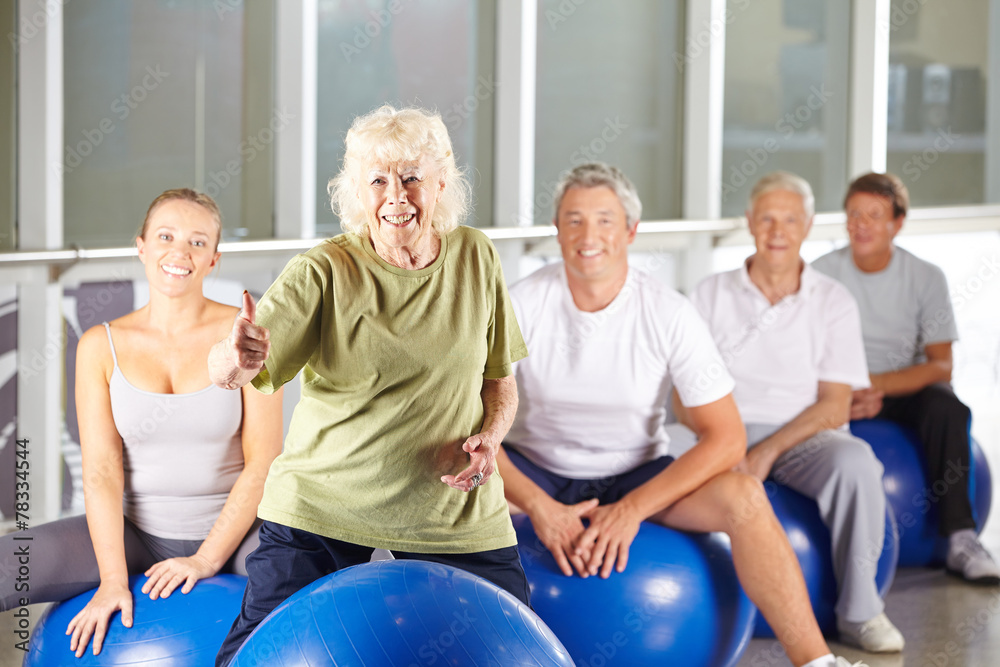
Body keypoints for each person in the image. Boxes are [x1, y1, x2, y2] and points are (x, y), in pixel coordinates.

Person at [207, 105, 530, 667]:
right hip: (325, 501)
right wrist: (233, 357)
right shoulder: (323, 270)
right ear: (355, 191)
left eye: (411, 178)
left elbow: (500, 379)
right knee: (256, 657)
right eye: (377, 181)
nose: (396, 196)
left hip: (450, 505)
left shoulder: (476, 256)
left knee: (515, 647)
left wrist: (492, 436)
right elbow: (231, 370)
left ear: (441, 182)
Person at [500, 162, 845, 667]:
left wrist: (632, 509)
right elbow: (470, 427)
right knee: (448, 481)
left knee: (745, 497)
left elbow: (725, 437)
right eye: (573, 220)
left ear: (631, 231)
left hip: (636, 472)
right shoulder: (521, 304)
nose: (587, 235)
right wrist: (537, 506)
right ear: (557, 230)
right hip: (538, 468)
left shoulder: (667, 312)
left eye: (604, 220)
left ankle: (818, 661)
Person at [0, 189, 283, 658]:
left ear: (214, 259)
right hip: (136, 533)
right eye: (166, 236)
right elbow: (102, 469)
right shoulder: (99, 346)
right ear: (142, 246)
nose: (179, 252)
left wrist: (206, 558)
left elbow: (263, 463)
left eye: (197, 242)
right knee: (9, 564)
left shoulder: (246, 336)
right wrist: (112, 580)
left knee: (304, 588)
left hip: (238, 535)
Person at [689, 171, 904, 653]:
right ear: (748, 222)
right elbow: (685, 392)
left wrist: (765, 452)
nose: (777, 230)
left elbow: (834, 403)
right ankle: (702, 610)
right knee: (655, 463)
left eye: (789, 219)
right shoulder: (709, 293)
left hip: (804, 433)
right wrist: (724, 440)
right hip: (722, 427)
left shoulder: (832, 299)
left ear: (807, 226)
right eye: (766, 218)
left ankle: (861, 612)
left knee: (857, 464)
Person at [813, 171, 999, 584]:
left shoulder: (926, 276)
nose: (861, 225)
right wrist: (842, 393)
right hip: (838, 386)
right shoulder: (821, 274)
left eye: (874, 215)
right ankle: (832, 546)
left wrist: (877, 386)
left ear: (897, 223)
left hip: (899, 386)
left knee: (948, 407)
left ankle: (961, 539)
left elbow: (940, 365)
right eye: (854, 214)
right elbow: (803, 354)